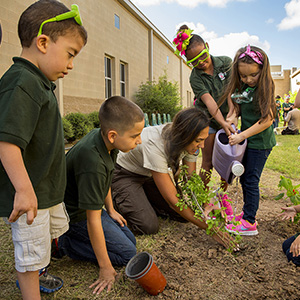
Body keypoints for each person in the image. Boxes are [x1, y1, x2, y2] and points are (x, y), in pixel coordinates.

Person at [0, 1, 87, 299]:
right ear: (43, 42)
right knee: (29, 252)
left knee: (39, 245)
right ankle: (30, 291)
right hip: (30, 192)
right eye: (70, 54)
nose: (71, 65)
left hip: (43, 188)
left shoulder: (39, 82)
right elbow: (6, 141)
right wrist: (23, 190)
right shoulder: (22, 82)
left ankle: (39, 273)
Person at [111, 107, 236, 250]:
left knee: (183, 215)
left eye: (204, 140)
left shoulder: (189, 144)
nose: (201, 146)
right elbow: (173, 201)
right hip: (126, 174)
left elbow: (190, 180)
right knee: (147, 225)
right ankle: (122, 198)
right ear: (185, 136)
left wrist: (205, 204)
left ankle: (142, 198)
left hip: (148, 175)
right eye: (198, 140)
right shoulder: (155, 143)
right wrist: (211, 229)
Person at [55, 96, 144, 295]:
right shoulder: (92, 161)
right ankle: (64, 243)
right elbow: (92, 219)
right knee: (127, 254)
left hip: (90, 207)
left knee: (131, 240)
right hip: (75, 216)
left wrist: (111, 210)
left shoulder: (106, 141)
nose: (140, 141)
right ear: (113, 135)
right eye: (135, 135)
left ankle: (72, 241)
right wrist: (105, 268)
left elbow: (107, 179)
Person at [173, 25, 235, 205]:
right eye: (194, 61)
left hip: (228, 116)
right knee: (207, 162)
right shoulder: (195, 77)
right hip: (207, 119)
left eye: (202, 56)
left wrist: (231, 117)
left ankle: (221, 197)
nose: (200, 62)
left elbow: (231, 92)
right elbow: (210, 103)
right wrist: (222, 123)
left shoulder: (226, 62)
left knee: (228, 159)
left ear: (207, 46)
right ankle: (200, 199)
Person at [221, 45, 276, 236]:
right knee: (244, 178)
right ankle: (246, 214)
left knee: (251, 180)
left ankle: (250, 222)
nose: (248, 79)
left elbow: (267, 120)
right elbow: (235, 107)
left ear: (262, 70)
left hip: (260, 143)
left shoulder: (265, 87)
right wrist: (232, 118)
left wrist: (242, 135)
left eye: (253, 75)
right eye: (243, 76)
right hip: (249, 142)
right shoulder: (243, 88)